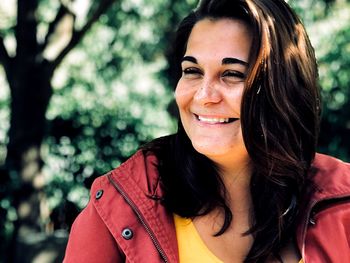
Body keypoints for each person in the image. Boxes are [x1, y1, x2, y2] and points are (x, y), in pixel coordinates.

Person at [63, 0, 350, 262]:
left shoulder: (342, 204)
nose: (203, 95)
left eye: (232, 74)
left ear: (284, 90)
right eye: (192, 71)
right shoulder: (118, 207)